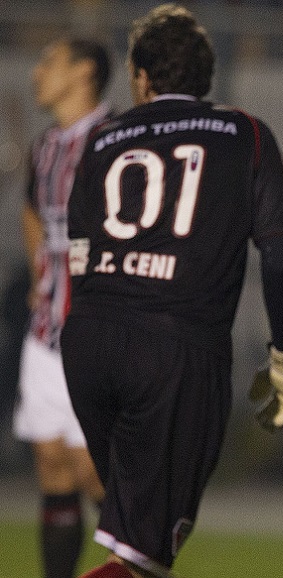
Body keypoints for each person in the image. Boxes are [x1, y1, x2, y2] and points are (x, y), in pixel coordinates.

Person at [60, 5, 283, 578]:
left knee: (134, 543)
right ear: (207, 77)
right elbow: (277, 258)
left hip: (90, 342)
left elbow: (78, 256)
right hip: (174, 352)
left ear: (142, 78)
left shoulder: (101, 140)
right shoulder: (245, 133)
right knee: (145, 559)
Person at [12, 36, 112, 578]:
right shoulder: (46, 145)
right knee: (52, 462)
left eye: (49, 61)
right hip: (46, 327)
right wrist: (38, 274)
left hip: (94, 333)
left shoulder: (117, 140)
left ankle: (142, 562)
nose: (37, 73)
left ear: (84, 72)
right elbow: (32, 210)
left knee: (93, 471)